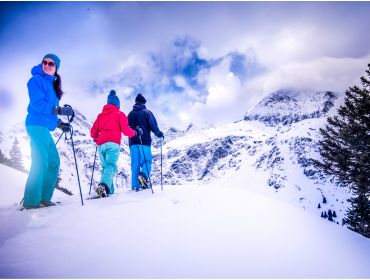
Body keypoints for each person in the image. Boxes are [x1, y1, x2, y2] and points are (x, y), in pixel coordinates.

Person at [23, 53, 74, 209]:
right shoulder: (35, 80)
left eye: (51, 64)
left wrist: (60, 124)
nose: (46, 65)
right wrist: (59, 110)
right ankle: (31, 201)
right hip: (35, 125)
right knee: (41, 160)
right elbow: (38, 105)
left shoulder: (52, 86)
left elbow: (49, 114)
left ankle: (44, 198)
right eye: (44, 62)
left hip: (43, 126)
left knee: (53, 162)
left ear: (56, 68)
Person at [90, 90, 137, 197]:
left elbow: (93, 132)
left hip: (101, 144)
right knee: (111, 165)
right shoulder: (119, 114)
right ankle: (103, 186)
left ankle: (109, 190)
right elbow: (125, 130)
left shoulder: (100, 116)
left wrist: (97, 138)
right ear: (117, 104)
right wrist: (134, 133)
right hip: (113, 143)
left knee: (105, 167)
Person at [128, 93, 164, 191]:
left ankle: (135, 186)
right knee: (147, 161)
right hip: (144, 141)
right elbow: (153, 126)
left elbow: (126, 128)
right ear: (143, 103)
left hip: (132, 143)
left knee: (135, 164)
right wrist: (159, 133)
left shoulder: (130, 114)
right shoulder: (146, 112)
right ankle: (143, 175)